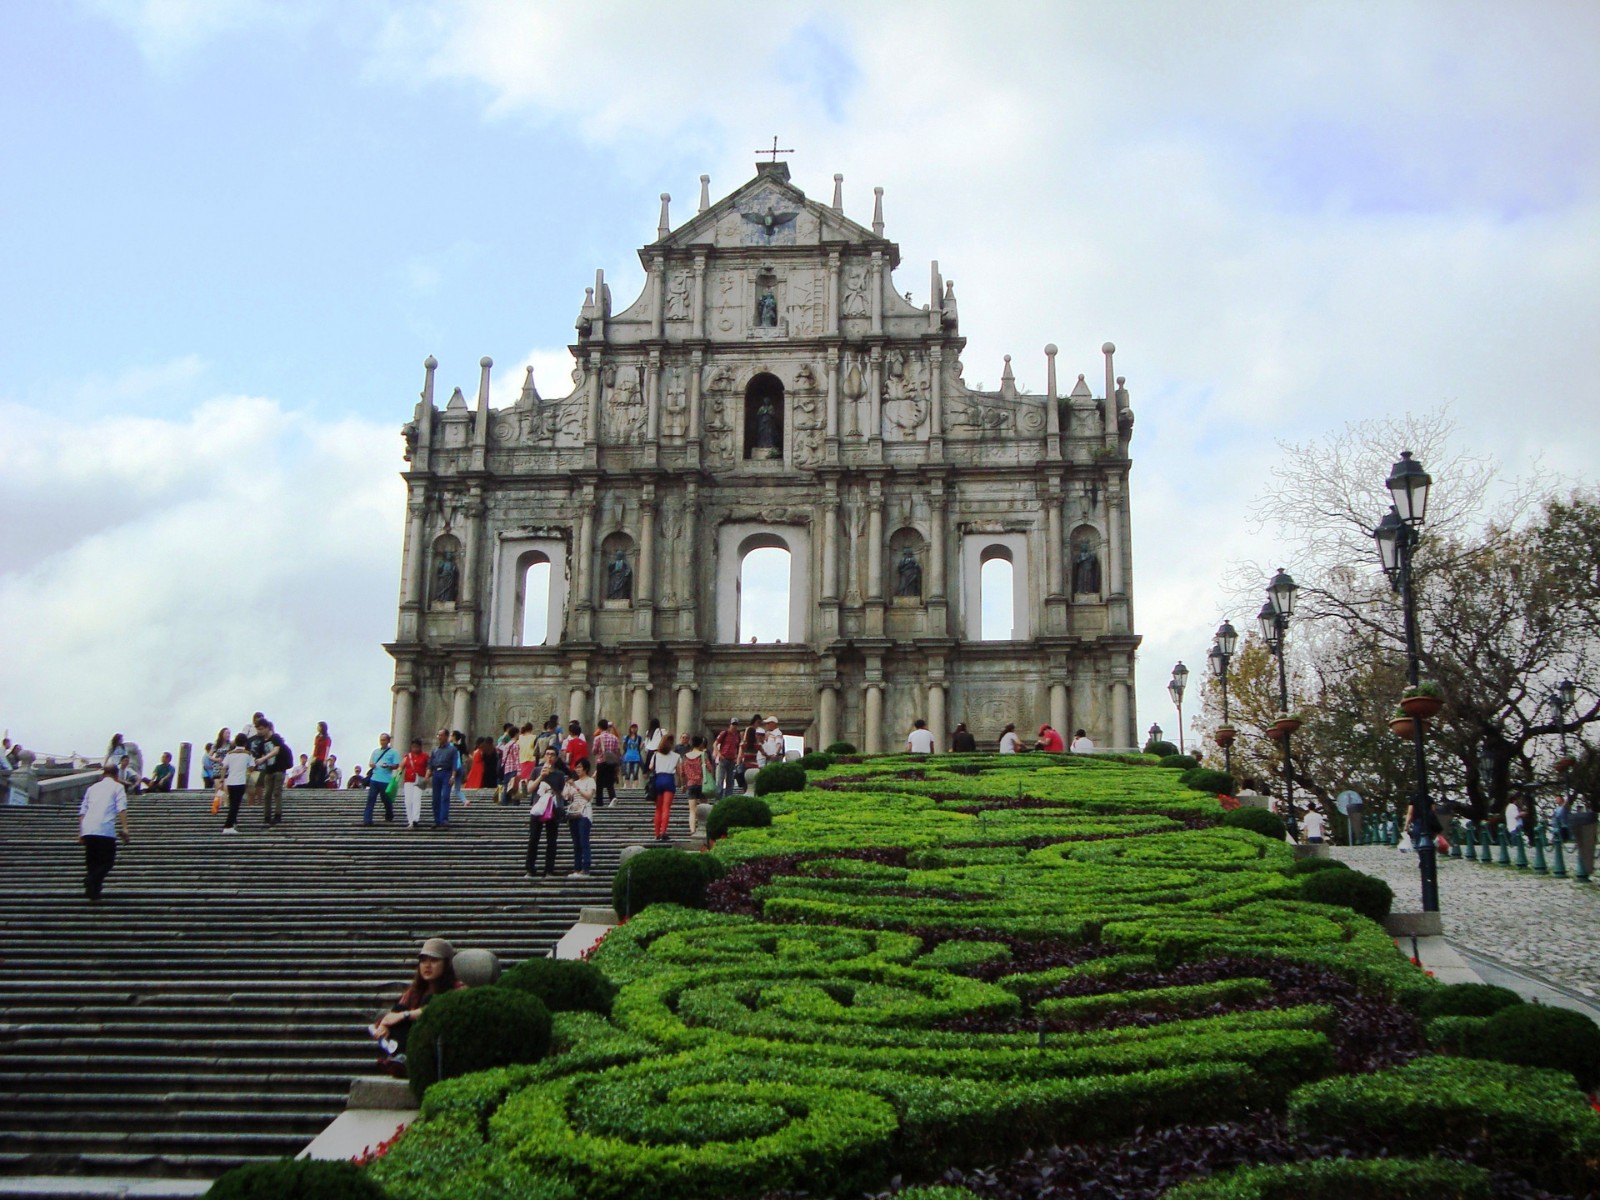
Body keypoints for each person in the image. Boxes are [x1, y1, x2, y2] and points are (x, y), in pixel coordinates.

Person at [369, 938, 464, 1076]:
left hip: (438, 1045)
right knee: (400, 1011)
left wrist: (406, 1015)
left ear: (447, 964)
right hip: (411, 1043)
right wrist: (384, 1025)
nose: (427, 965)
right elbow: (394, 1013)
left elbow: (440, 1008)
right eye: (424, 960)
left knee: (408, 1013)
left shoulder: (457, 989)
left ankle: (404, 1060)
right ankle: (400, 1060)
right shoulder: (415, 992)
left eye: (434, 960)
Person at [78, 764, 131, 900]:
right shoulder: (117, 787)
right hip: (104, 829)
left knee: (92, 861)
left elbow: (83, 811)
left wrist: (81, 831)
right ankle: (91, 880)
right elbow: (121, 808)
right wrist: (125, 828)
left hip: (88, 828)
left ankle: (93, 892)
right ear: (116, 775)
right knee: (107, 861)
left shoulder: (92, 788)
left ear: (103, 773)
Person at [526, 749, 567, 879]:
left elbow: (562, 794)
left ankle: (549, 869)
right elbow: (529, 789)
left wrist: (553, 790)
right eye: (547, 754)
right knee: (533, 839)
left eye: (552, 754)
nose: (549, 757)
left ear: (556, 758)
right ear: (544, 756)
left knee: (552, 841)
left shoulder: (560, 774)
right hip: (537, 808)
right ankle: (530, 869)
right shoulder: (537, 770)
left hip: (552, 809)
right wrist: (541, 777)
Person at [564, 757, 597, 876]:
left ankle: (586, 867)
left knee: (584, 841)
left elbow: (588, 796)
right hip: (573, 813)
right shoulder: (574, 782)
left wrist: (576, 787)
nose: (577, 769)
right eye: (576, 767)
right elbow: (566, 797)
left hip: (584, 813)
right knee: (576, 842)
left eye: (580, 767)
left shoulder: (590, 781)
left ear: (586, 769)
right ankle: (577, 868)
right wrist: (568, 789)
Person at [255, 720, 291, 826]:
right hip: (269, 770)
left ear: (267, 728)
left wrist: (263, 759)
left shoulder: (276, 738)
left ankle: (277, 815)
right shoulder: (262, 742)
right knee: (267, 794)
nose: (259, 731)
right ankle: (267, 816)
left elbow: (276, 750)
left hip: (279, 769)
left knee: (277, 792)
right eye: (258, 729)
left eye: (261, 729)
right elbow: (259, 754)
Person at [365, 733, 400, 825]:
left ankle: (389, 814)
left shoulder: (394, 752)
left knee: (385, 799)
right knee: (371, 798)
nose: (382, 742)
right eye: (381, 740)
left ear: (388, 741)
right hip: (374, 779)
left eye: (384, 740)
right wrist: (372, 765)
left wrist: (388, 766)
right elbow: (371, 763)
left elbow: (396, 765)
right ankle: (367, 819)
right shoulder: (375, 752)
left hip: (386, 780)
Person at [650, 734, 680, 841]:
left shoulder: (656, 755)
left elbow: (651, 767)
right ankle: (664, 832)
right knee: (666, 808)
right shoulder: (676, 756)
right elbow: (679, 771)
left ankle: (657, 833)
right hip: (669, 779)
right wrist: (682, 783)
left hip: (658, 780)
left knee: (658, 809)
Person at [221, 733, 252, 832]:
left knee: (232, 803)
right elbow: (252, 766)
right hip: (240, 781)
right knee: (235, 805)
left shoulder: (230, 754)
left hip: (230, 781)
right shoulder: (247, 754)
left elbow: (223, 767)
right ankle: (228, 826)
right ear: (245, 743)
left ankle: (232, 823)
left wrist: (222, 780)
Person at [430, 729, 460, 828]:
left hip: (446, 773)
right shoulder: (435, 750)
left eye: (441, 735)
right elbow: (430, 764)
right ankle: (437, 820)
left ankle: (444, 819)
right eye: (438, 735)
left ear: (446, 736)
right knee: (435, 798)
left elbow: (454, 764)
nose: (439, 737)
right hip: (436, 773)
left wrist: (453, 776)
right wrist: (427, 775)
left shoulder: (452, 749)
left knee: (445, 796)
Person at [398, 738, 428, 828]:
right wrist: (398, 773)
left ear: (420, 747)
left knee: (416, 799)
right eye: (413, 747)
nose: (415, 749)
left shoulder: (425, 756)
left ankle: (415, 819)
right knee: (408, 801)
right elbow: (401, 767)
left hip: (418, 780)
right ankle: (410, 820)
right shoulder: (407, 756)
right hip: (408, 780)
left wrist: (426, 777)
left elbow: (430, 767)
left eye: (417, 747)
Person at [681, 735, 708, 833]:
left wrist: (683, 785)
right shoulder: (702, 755)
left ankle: (692, 830)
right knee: (705, 806)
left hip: (690, 784)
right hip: (702, 784)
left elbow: (682, 772)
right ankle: (705, 827)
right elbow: (709, 768)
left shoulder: (685, 756)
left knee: (692, 811)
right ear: (701, 744)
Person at [592, 719, 621, 807]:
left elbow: (594, 751)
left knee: (599, 784)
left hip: (601, 762)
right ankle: (612, 798)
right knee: (610, 783)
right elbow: (617, 751)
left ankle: (599, 803)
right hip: (611, 762)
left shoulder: (598, 738)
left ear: (599, 727)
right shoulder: (614, 738)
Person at [714, 719, 742, 798]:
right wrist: (719, 754)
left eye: (736, 725)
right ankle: (718, 798)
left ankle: (728, 797)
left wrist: (737, 756)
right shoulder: (724, 733)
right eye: (733, 724)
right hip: (723, 758)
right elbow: (715, 744)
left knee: (730, 780)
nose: (734, 726)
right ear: (729, 725)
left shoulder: (737, 735)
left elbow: (738, 747)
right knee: (720, 779)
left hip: (732, 760)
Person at [515, 722, 539, 799]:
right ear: (531, 729)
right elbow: (536, 749)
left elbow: (518, 747)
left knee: (523, 777)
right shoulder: (534, 737)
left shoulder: (520, 737)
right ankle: (528, 791)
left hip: (522, 759)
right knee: (530, 777)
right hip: (531, 758)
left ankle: (523, 790)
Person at [310, 721, 332, 788]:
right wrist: (313, 757)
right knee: (312, 775)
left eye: (319, 726)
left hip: (322, 759)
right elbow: (315, 748)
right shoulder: (317, 737)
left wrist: (325, 759)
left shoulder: (327, 738)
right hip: (315, 758)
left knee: (320, 777)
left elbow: (327, 749)